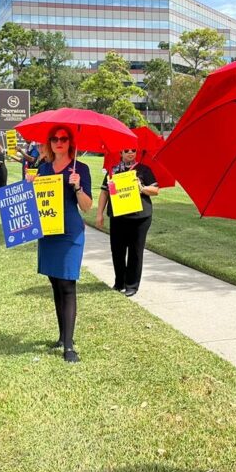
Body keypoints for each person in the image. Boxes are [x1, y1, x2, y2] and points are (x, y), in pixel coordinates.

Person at [34, 125, 92, 363]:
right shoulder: (43, 168)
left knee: (67, 283)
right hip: (48, 233)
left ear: (70, 142)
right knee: (56, 283)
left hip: (70, 233)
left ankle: (69, 347)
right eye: (55, 138)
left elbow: (87, 206)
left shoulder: (81, 169)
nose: (59, 142)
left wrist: (77, 186)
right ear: (49, 142)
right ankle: (62, 335)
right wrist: (30, 184)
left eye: (64, 138)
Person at [95, 146, 159, 296]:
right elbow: (104, 192)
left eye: (133, 150)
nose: (130, 153)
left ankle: (132, 285)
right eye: (126, 150)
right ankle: (119, 282)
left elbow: (156, 190)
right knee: (117, 250)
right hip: (118, 216)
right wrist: (99, 213)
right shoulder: (113, 171)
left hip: (140, 217)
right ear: (120, 153)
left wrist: (141, 188)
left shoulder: (144, 170)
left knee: (135, 252)